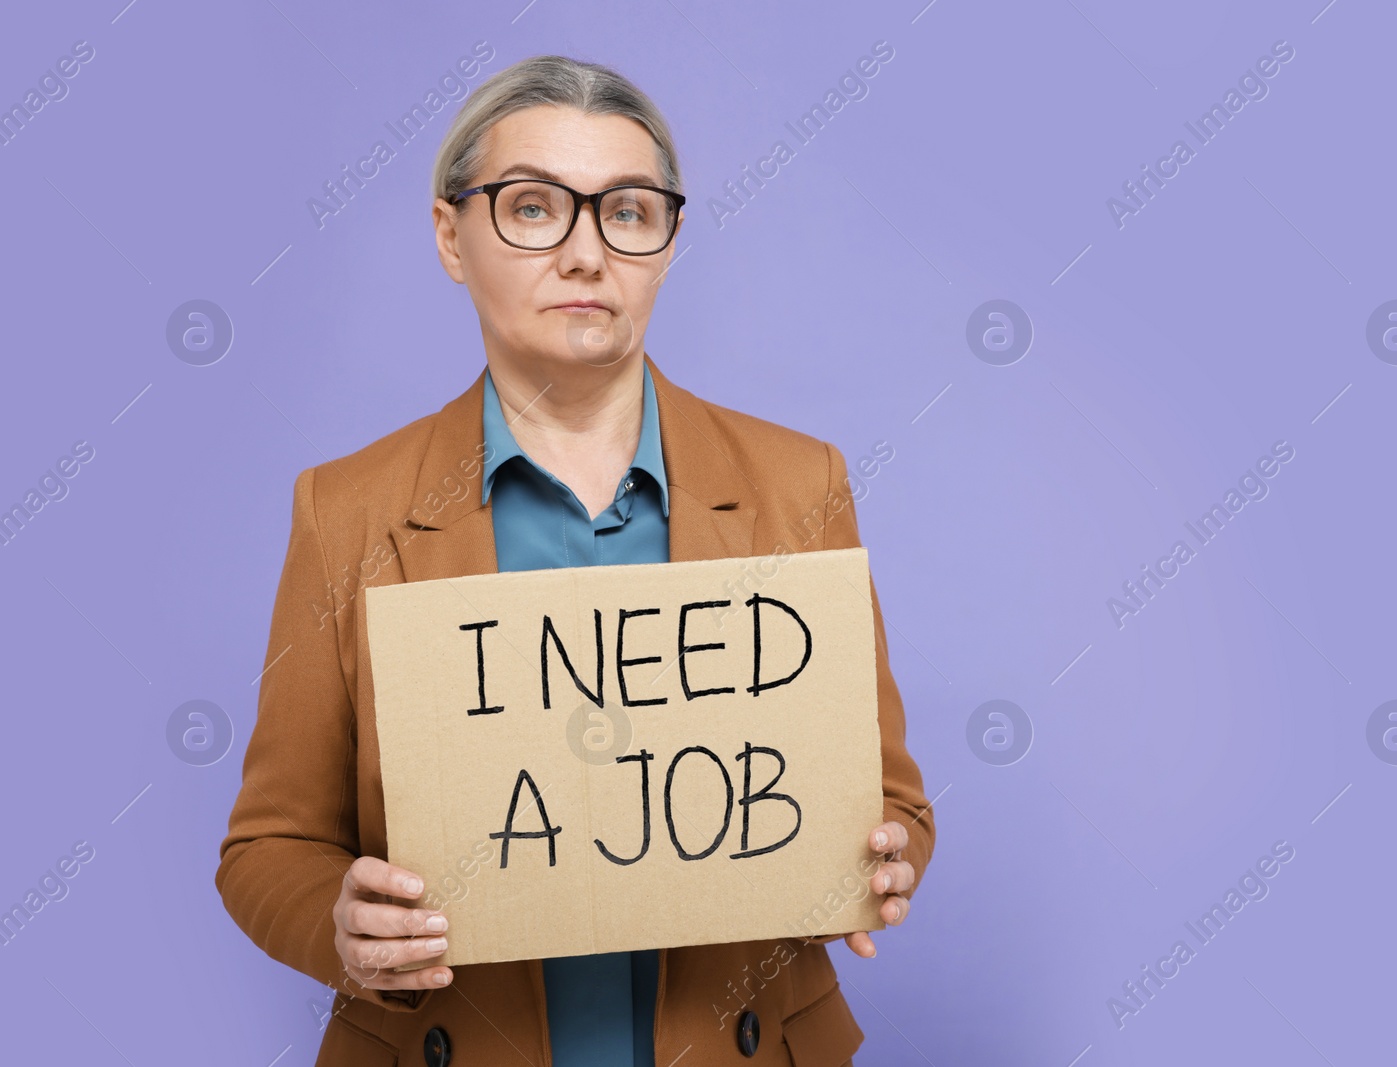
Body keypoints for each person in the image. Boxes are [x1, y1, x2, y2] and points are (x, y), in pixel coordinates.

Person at [214, 54, 935, 1067]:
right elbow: (267, 847)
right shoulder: (346, 512)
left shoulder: (795, 483)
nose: (586, 252)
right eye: (534, 207)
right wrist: (338, 921)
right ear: (449, 235)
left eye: (628, 211)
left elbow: (889, 800)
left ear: (667, 244)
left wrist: (882, 859)